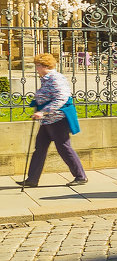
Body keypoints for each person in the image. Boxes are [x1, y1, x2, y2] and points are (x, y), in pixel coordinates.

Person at [17, 53, 86, 188]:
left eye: (37, 66)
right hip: (48, 121)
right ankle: (32, 179)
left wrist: (43, 112)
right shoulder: (46, 79)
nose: (36, 69)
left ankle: (80, 176)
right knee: (40, 148)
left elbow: (62, 98)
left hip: (58, 119)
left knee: (64, 147)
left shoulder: (56, 78)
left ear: (45, 66)